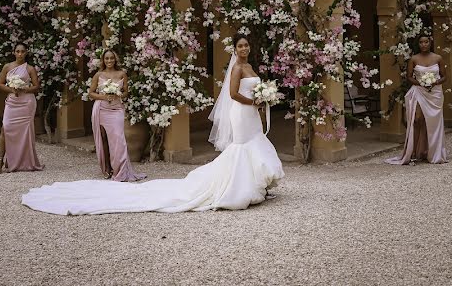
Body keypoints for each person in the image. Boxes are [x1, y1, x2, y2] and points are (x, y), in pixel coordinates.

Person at [21, 33, 284, 214]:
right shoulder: (237, 69)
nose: (244, 49)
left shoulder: (249, 65)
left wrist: (262, 97)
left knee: (254, 143)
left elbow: (251, 90)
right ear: (234, 50)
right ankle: (237, 189)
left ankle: (256, 187)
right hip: (243, 112)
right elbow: (233, 94)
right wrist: (255, 102)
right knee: (241, 148)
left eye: (246, 45)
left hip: (252, 113)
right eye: (240, 46)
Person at [386, 35, 447, 165]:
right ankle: (415, 151)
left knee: (432, 122)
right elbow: (409, 77)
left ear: (430, 43)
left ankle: (431, 152)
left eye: (426, 42)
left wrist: (434, 82)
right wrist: (421, 83)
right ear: (418, 44)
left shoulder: (438, 58)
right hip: (419, 91)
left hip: (434, 93)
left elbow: (444, 76)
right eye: (421, 42)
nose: (424, 44)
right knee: (417, 119)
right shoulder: (414, 59)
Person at [88, 50, 145, 181]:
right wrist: (104, 96)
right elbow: (91, 93)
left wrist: (118, 94)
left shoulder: (122, 74)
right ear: (103, 60)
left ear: (115, 59)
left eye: (111, 58)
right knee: (103, 140)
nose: (109, 61)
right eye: (106, 59)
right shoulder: (98, 75)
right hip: (101, 109)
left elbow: (126, 92)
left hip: (117, 109)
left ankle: (121, 171)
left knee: (119, 140)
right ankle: (108, 169)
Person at [0, 43, 44, 174]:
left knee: (24, 133)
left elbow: (36, 86)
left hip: (26, 102)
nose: (20, 54)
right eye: (18, 51)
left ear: (26, 52)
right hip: (12, 102)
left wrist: (24, 89)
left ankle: (20, 161)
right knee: (5, 128)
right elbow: (0, 84)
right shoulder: (7, 67)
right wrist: (12, 89)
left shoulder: (30, 68)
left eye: (22, 51)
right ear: (14, 52)